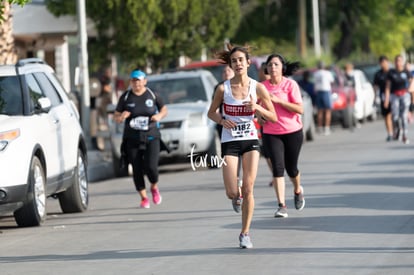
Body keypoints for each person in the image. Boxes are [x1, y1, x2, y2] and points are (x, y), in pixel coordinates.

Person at [207, 44, 277, 249]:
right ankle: (235, 197)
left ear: (248, 63)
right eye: (234, 61)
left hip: (250, 140)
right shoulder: (223, 88)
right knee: (232, 192)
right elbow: (211, 112)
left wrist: (256, 107)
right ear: (230, 64)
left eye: (241, 60)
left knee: (249, 188)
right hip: (229, 141)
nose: (238, 64)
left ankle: (245, 233)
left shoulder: (258, 87)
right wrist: (221, 121)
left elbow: (272, 115)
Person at [113, 69, 168, 208]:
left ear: (144, 81)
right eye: (133, 81)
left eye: (139, 80)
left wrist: (159, 116)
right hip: (132, 137)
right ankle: (144, 198)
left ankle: (154, 186)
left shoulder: (152, 95)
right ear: (131, 82)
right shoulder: (126, 97)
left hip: (151, 135)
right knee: (136, 168)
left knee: (151, 167)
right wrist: (121, 117)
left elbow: (164, 109)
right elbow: (116, 116)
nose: (136, 83)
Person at [259, 53, 305, 218]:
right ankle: (281, 205)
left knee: (291, 169)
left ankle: (298, 190)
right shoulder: (261, 87)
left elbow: (300, 109)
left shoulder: (290, 85)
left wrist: (279, 101)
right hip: (271, 133)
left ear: (282, 68)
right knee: (278, 168)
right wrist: (259, 117)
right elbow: (255, 108)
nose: (272, 68)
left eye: (276, 64)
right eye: (270, 65)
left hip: (292, 131)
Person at [384, 55, 413, 144]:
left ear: (402, 62)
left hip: (404, 94)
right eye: (396, 61)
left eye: (400, 61)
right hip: (394, 95)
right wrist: (387, 99)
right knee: (395, 116)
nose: (398, 63)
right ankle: (397, 129)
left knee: (404, 116)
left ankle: (405, 135)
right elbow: (388, 86)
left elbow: (412, 83)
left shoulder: (406, 72)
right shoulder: (391, 73)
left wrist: (412, 97)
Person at [373, 55, 393, 141]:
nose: (383, 64)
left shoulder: (393, 72)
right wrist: (375, 97)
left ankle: (397, 130)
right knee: (387, 115)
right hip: (383, 96)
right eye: (381, 63)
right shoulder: (378, 74)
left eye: (384, 62)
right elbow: (375, 86)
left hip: (394, 96)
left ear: (387, 62)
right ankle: (390, 133)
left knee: (395, 116)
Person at [314, 61, 334, 135]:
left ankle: (320, 128)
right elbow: (332, 81)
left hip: (318, 92)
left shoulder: (316, 73)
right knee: (328, 111)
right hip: (326, 92)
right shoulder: (327, 73)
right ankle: (327, 128)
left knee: (320, 111)